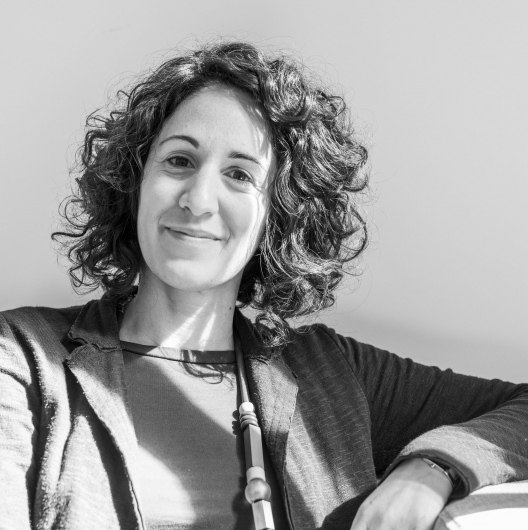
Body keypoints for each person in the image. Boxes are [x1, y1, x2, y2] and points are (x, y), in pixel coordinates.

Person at [0, 40, 527, 530]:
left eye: (240, 174)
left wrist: (433, 468)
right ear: (136, 182)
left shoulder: (332, 372)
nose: (198, 200)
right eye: (179, 161)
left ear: (278, 215)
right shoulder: (24, 357)